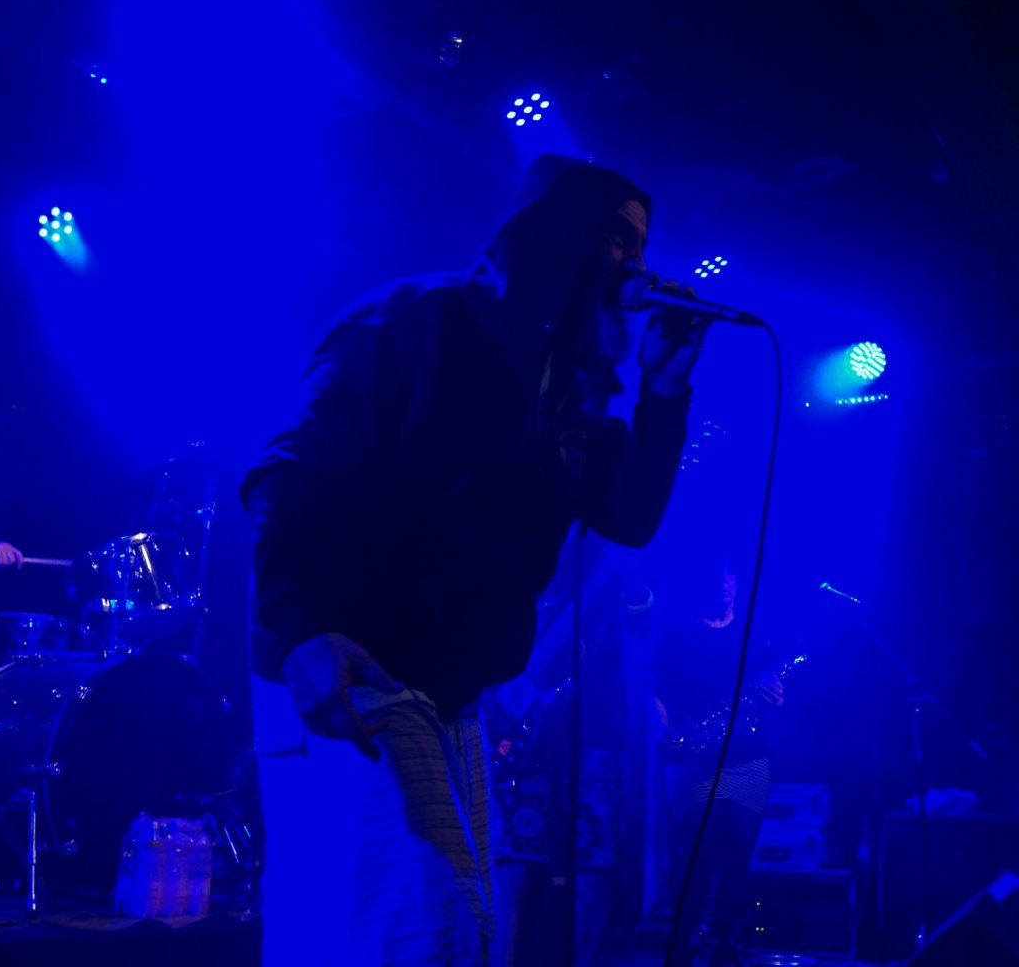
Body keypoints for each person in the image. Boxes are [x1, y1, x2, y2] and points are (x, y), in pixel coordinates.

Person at [244, 156, 708, 965]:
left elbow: (628, 516)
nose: (635, 265)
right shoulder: (416, 322)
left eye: (641, 246)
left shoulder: (569, 389)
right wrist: (299, 630)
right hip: (347, 660)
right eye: (616, 239)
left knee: (443, 935)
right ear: (557, 236)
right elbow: (288, 476)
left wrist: (662, 393)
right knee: (431, 931)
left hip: (448, 691)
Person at [653, 557, 785, 967]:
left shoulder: (754, 634)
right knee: (696, 855)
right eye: (717, 575)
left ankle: (723, 947)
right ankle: (681, 949)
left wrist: (775, 701)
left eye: (731, 575)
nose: (725, 582)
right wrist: (664, 731)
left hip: (747, 757)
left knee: (737, 855)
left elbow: (769, 702)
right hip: (695, 759)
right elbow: (657, 693)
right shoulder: (677, 634)